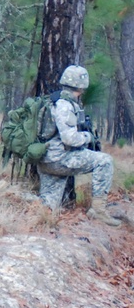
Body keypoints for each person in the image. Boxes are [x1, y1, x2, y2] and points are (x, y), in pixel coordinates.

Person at [36, 65, 120, 226]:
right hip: (60, 159)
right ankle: (98, 211)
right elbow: (69, 139)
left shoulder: (53, 100)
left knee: (47, 207)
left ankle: (10, 194)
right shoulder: (65, 106)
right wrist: (88, 137)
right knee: (105, 161)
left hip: (46, 159)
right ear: (81, 86)